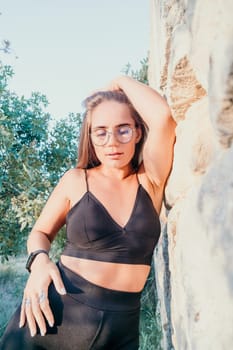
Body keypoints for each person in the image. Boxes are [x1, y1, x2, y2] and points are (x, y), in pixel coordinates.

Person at [0, 76, 176, 350]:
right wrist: (39, 263)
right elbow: (40, 232)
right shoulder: (76, 180)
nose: (112, 142)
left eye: (123, 129)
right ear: (90, 136)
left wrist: (117, 82)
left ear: (138, 133)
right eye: (101, 131)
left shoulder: (149, 181)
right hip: (51, 319)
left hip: (121, 330)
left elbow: (163, 117)